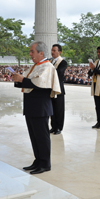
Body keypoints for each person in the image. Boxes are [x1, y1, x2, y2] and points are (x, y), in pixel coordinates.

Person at [12, 41, 61, 174]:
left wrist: (22, 80)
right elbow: (28, 82)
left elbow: (40, 84)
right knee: (34, 135)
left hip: (40, 107)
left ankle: (45, 163)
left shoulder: (47, 67)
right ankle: (38, 160)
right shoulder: (35, 66)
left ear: (41, 53)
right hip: (31, 106)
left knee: (41, 136)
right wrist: (17, 79)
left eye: (32, 51)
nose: (30, 54)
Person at [49, 44, 68, 135]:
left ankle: (59, 127)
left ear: (59, 52)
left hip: (58, 89)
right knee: (52, 109)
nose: (52, 52)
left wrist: (50, 69)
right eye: (52, 50)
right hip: (50, 88)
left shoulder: (63, 62)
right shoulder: (51, 61)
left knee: (59, 109)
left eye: (54, 50)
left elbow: (60, 73)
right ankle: (53, 126)